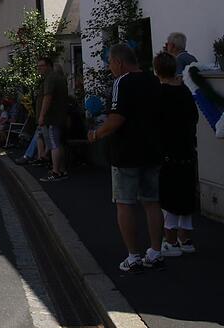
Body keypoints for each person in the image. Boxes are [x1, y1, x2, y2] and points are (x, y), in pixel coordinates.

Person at [88, 43, 165, 272]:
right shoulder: (153, 80)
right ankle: (155, 251)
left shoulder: (122, 81)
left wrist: (96, 134)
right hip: (151, 150)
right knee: (152, 202)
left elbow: (117, 118)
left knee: (125, 203)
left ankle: (133, 256)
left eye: (110, 62)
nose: (110, 67)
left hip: (126, 153)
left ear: (119, 62)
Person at [153, 52, 199, 257]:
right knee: (186, 195)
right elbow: (194, 118)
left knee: (168, 198)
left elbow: (154, 124)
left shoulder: (160, 94)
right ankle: (186, 239)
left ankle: (170, 242)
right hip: (187, 149)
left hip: (167, 152)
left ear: (157, 71)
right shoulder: (185, 92)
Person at [35, 57, 69, 182]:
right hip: (58, 117)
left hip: (52, 118)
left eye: (41, 66)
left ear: (48, 66)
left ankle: (56, 172)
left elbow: (47, 98)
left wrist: (42, 115)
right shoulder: (58, 78)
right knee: (58, 144)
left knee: (54, 144)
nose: (39, 69)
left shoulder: (50, 78)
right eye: (38, 66)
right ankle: (61, 169)